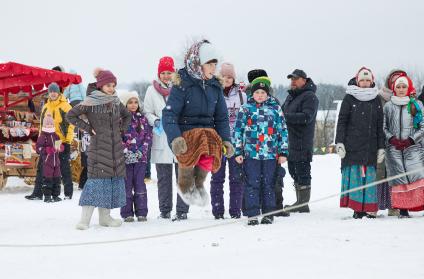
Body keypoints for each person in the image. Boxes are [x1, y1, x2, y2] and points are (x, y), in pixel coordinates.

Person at [162, 39, 234, 207]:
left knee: (210, 143)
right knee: (193, 143)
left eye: (215, 65)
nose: (213, 69)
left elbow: (221, 117)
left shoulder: (215, 86)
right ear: (198, 64)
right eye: (209, 64)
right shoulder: (183, 84)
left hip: (206, 133)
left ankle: (199, 183)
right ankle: (185, 182)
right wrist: (175, 138)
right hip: (186, 134)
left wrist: (225, 140)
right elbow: (169, 114)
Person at [67, 68, 131, 230]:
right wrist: (88, 128)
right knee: (95, 183)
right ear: (100, 85)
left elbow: (127, 115)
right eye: (108, 85)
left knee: (109, 183)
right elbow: (71, 115)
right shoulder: (90, 101)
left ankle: (105, 218)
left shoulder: (116, 101)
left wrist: (122, 129)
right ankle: (84, 220)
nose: (111, 88)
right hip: (98, 149)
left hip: (114, 149)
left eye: (113, 85)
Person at [234, 76, 288, 225]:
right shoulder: (246, 109)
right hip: (251, 154)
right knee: (252, 184)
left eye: (263, 92)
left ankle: (268, 213)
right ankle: (252, 214)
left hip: (270, 154)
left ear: (267, 94)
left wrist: (283, 152)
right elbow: (238, 131)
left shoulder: (275, 108)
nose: (260, 95)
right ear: (252, 93)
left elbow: (283, 130)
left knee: (268, 184)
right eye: (257, 92)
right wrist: (238, 152)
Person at [144, 56, 190, 221]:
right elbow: (147, 111)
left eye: (168, 72)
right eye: (162, 73)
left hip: (179, 136)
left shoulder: (182, 88)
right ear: (159, 74)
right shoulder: (151, 90)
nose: (166, 76)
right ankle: (165, 210)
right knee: (163, 178)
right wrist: (155, 121)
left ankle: (182, 210)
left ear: (174, 72)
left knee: (183, 176)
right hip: (161, 137)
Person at [336, 67, 384, 219]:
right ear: (357, 81)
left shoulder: (376, 99)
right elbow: (342, 121)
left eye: (367, 80)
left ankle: (369, 208)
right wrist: (340, 142)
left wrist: (381, 147)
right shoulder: (349, 98)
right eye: (362, 80)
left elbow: (379, 125)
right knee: (356, 177)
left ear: (371, 81)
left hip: (370, 146)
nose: (364, 83)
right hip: (352, 146)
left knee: (369, 178)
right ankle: (357, 208)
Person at [25, 82, 75, 200]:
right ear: (48, 93)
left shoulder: (65, 106)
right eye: (51, 91)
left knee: (63, 166)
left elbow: (71, 124)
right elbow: (42, 124)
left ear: (58, 92)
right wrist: (40, 140)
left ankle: (68, 193)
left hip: (60, 141)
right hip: (47, 141)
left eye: (55, 91)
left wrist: (67, 140)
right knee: (42, 166)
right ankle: (37, 193)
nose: (53, 93)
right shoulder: (46, 106)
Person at [209, 62, 246, 219]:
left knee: (236, 179)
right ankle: (218, 211)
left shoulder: (241, 96)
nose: (227, 79)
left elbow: (246, 119)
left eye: (230, 77)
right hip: (218, 142)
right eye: (224, 76)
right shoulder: (213, 93)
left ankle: (235, 210)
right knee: (217, 178)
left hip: (236, 143)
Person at [384, 75, 424, 218]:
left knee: (416, 176)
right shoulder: (388, 106)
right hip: (394, 149)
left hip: (413, 149)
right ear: (394, 89)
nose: (401, 90)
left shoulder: (417, 105)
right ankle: (403, 209)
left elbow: (422, 126)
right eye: (398, 87)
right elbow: (384, 127)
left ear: (408, 88)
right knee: (399, 178)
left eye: (404, 87)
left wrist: (411, 140)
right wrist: (392, 139)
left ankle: (419, 204)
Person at [282, 69, 319, 213]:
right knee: (293, 171)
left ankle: (303, 203)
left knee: (303, 172)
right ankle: (299, 201)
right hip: (290, 141)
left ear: (304, 80)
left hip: (302, 141)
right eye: (291, 79)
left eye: (296, 79)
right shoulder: (291, 96)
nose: (293, 81)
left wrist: (286, 117)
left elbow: (306, 117)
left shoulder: (310, 96)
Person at [377, 69, 407, 217]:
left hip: (402, 142)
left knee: (398, 173)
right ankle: (379, 204)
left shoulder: (408, 98)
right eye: (393, 79)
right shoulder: (380, 97)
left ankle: (397, 205)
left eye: (399, 80)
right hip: (384, 139)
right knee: (382, 173)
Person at [119, 91, 152, 222]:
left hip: (140, 159)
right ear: (125, 104)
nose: (133, 105)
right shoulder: (120, 120)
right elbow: (117, 137)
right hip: (125, 159)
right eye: (130, 102)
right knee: (126, 186)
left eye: (135, 102)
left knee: (140, 185)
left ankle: (142, 212)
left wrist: (141, 151)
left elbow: (148, 137)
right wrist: (126, 151)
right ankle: (127, 213)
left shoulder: (142, 119)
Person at [36, 114, 64, 203]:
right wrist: (48, 150)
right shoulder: (42, 136)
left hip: (57, 162)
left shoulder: (56, 135)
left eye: (51, 124)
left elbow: (60, 145)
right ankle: (47, 196)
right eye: (47, 124)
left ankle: (55, 196)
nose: (49, 125)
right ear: (44, 125)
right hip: (47, 162)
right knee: (48, 179)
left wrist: (61, 147)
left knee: (57, 179)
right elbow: (38, 148)